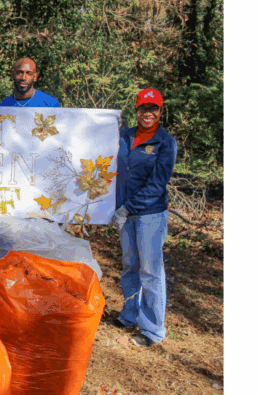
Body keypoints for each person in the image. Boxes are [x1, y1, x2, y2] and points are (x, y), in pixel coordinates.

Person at [110, 88, 177, 347]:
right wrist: (107, 127)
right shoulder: (125, 135)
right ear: (136, 110)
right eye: (143, 108)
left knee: (150, 271)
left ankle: (152, 329)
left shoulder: (165, 142)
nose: (148, 113)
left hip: (149, 214)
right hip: (124, 213)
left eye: (153, 109)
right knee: (130, 266)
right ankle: (129, 315)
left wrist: (126, 209)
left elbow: (158, 183)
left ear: (161, 111)